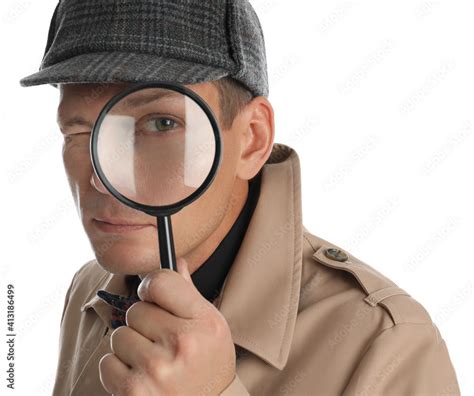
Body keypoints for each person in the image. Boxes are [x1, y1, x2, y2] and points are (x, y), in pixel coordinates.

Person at [19, 1, 460, 395]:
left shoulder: (389, 346)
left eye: (161, 125)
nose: (100, 179)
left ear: (252, 140)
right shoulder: (89, 292)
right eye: (79, 132)